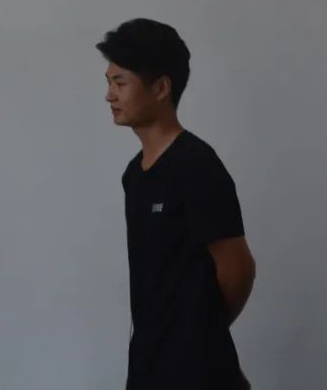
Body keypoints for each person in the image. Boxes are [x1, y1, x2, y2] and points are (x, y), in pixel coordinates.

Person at [98, 19, 256, 390]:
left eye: (120, 83)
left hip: (199, 373)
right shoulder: (135, 174)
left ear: (161, 88)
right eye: (108, 82)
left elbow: (238, 269)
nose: (109, 96)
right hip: (147, 367)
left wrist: (199, 335)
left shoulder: (196, 165)